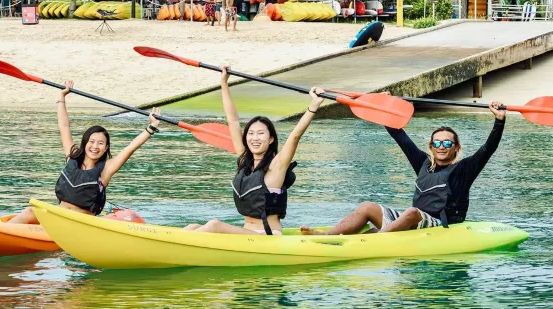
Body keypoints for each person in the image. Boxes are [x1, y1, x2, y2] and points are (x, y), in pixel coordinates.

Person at [301, 101, 506, 235]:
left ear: (456, 147)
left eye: (446, 144)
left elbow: (488, 149)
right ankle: (327, 236)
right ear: (431, 146)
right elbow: (401, 137)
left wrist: (499, 120)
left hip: (441, 225)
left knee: (411, 212)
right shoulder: (424, 163)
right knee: (366, 207)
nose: (441, 148)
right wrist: (385, 108)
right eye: (437, 143)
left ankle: (376, 240)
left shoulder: (464, 170)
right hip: (413, 222)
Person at [185, 66, 324, 235]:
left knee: (214, 225)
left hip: (267, 236)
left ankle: (174, 247)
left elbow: (295, 136)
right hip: (247, 234)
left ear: (271, 138)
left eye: (260, 134)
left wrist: (314, 105)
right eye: (250, 133)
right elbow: (233, 121)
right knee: (193, 227)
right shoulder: (245, 161)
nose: (254, 138)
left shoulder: (277, 166)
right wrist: (223, 83)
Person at [5, 81, 161, 224]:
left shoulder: (106, 169)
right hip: (59, 217)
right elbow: (64, 126)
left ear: (106, 148)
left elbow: (130, 147)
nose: (95, 146)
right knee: (30, 212)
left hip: (82, 225)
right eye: (92, 142)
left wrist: (151, 127)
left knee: (30, 211)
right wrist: (61, 97)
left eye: (100, 143)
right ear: (85, 144)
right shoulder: (72, 156)